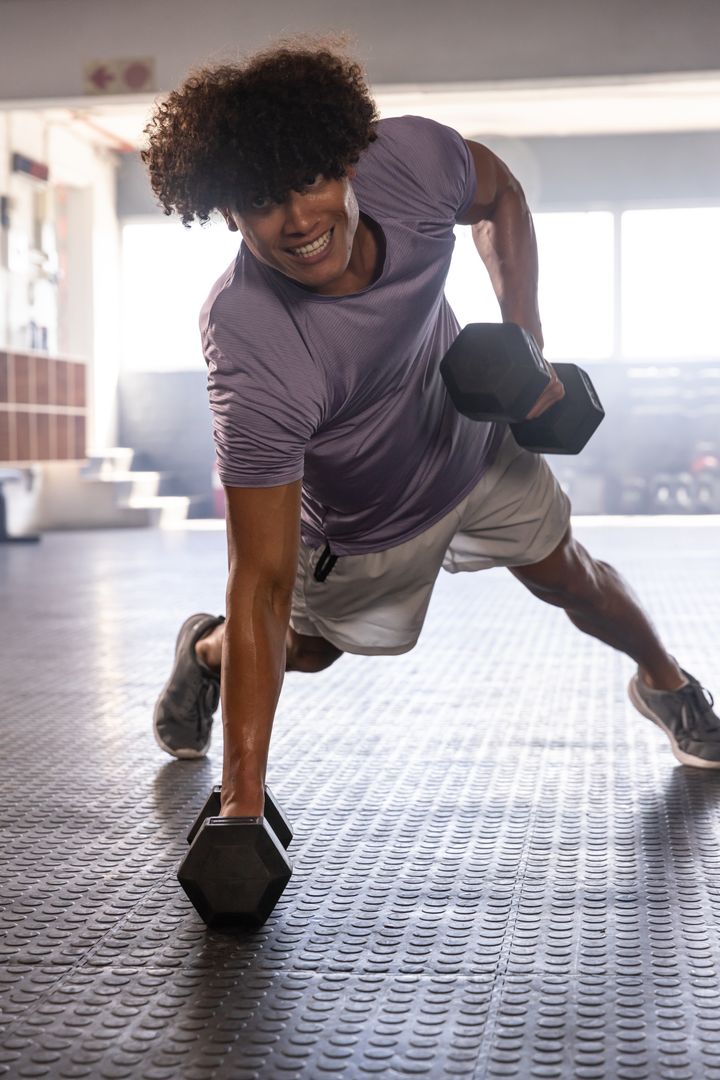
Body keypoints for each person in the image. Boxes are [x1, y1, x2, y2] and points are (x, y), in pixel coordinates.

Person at [144, 39, 720, 817]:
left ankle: (669, 687)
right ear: (226, 212)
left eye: (310, 181)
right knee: (305, 651)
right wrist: (241, 805)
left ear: (347, 160)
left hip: (471, 444)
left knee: (572, 575)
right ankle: (206, 652)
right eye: (262, 201)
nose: (298, 219)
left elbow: (501, 195)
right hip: (363, 519)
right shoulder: (252, 341)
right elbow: (263, 579)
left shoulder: (411, 161)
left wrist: (529, 349)